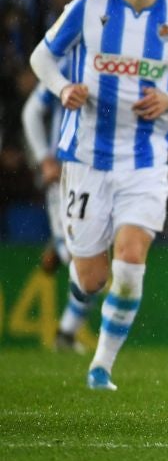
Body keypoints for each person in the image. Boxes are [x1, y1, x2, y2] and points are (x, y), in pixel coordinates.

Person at [28, 0, 168, 390]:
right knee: (92, 279)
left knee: (130, 264)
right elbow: (41, 58)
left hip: (144, 163)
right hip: (86, 162)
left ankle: (101, 368)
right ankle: (78, 282)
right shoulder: (90, 7)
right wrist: (63, 88)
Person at [21, 72, 94, 352]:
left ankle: (65, 334)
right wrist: (44, 159)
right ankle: (65, 335)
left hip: (101, 177)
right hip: (64, 177)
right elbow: (31, 112)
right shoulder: (64, 67)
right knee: (84, 262)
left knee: (93, 266)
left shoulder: (119, 62)